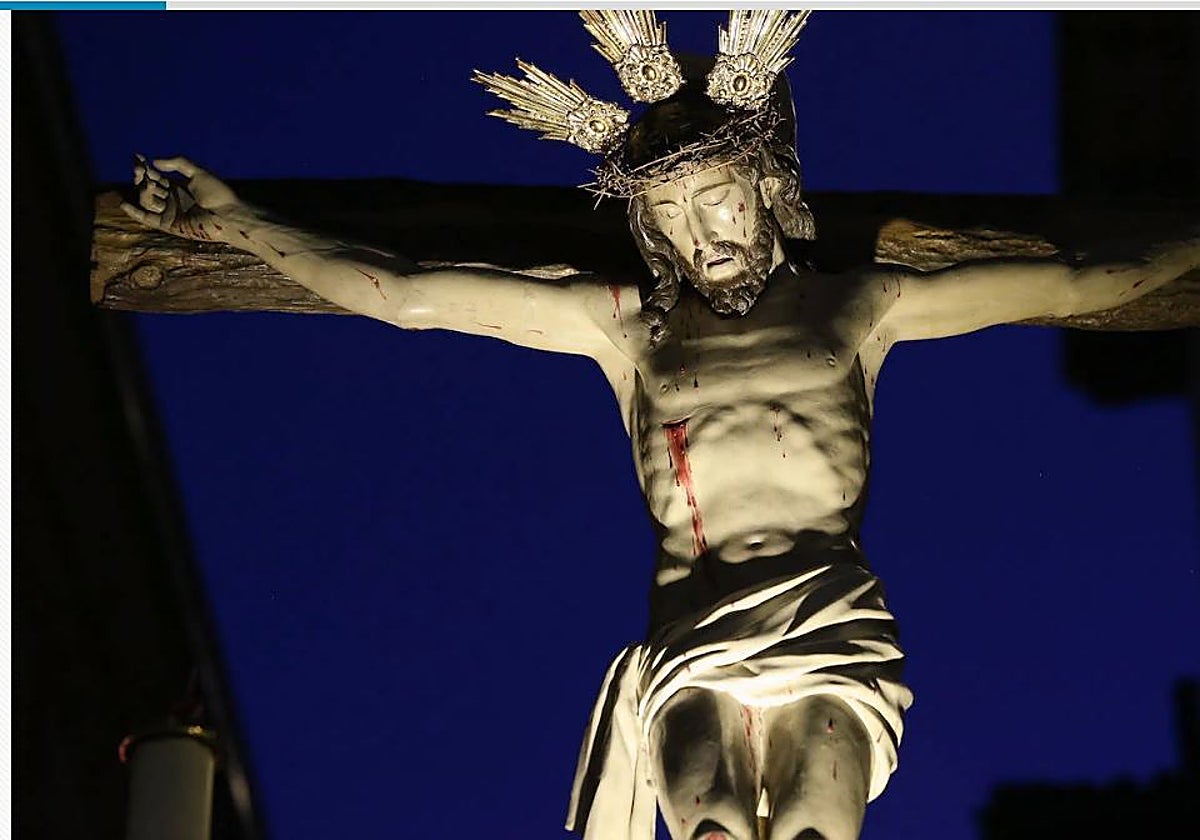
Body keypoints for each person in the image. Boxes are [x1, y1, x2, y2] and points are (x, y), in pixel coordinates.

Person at [121, 11, 1197, 840]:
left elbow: (1074, 284)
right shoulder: (627, 329)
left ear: (764, 185)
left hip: (827, 624)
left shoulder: (860, 306)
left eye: (717, 195)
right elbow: (407, 295)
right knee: (715, 825)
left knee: (814, 828)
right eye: (671, 213)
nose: (701, 231)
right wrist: (236, 223)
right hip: (698, 629)